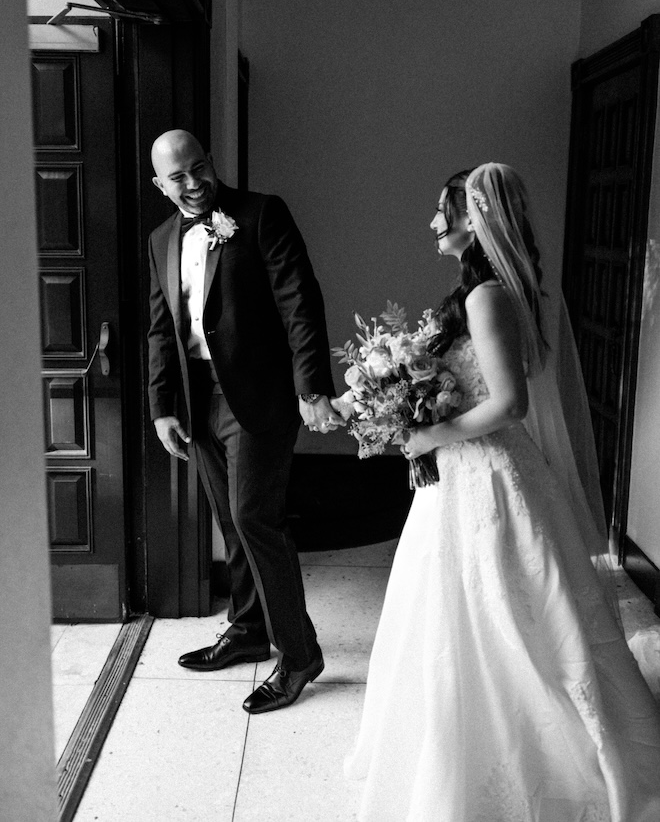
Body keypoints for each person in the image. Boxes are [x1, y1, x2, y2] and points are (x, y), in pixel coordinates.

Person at [341, 163, 660, 820]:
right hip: (471, 471)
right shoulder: (492, 291)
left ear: (473, 218)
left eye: (443, 211)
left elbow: (510, 403)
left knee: (504, 615)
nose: (433, 222)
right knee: (471, 609)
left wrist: (430, 435)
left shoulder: (488, 295)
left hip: (484, 470)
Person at [147, 129, 344, 714]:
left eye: (198, 167)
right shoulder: (161, 239)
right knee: (229, 520)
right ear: (161, 185)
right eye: (177, 176)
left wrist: (312, 387)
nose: (193, 182)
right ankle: (249, 628)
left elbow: (299, 301)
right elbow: (162, 328)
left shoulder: (260, 214)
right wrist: (162, 407)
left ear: (211, 162)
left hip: (258, 397)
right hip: (196, 399)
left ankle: (299, 653)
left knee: (254, 517)